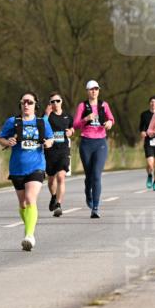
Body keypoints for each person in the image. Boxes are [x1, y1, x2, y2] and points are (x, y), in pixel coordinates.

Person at [0, 92, 54, 250]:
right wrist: (8, 141)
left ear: (36, 104)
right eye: (23, 102)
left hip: (36, 166)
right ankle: (28, 228)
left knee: (30, 198)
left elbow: (50, 138)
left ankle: (30, 235)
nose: (26, 105)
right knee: (23, 204)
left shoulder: (42, 122)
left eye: (29, 102)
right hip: (17, 167)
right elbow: (0, 138)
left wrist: (48, 143)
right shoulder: (13, 122)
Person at [72, 80, 115, 218]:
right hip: (86, 143)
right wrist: (86, 118)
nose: (94, 91)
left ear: (98, 91)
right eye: (91, 89)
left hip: (100, 142)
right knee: (89, 175)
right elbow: (76, 124)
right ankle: (87, 191)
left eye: (96, 89)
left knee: (96, 175)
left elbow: (111, 119)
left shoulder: (104, 105)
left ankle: (95, 207)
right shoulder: (82, 106)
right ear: (87, 91)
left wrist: (109, 122)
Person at [44, 91, 74, 217]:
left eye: (57, 101)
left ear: (61, 102)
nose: (55, 103)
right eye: (52, 101)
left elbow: (72, 128)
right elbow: (41, 126)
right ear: (50, 103)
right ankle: (53, 196)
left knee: (61, 177)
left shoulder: (67, 116)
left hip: (63, 150)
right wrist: (46, 114)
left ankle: (58, 205)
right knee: (51, 180)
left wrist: (71, 132)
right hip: (50, 151)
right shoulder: (47, 117)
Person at [139, 96, 155, 191]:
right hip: (149, 141)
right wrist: (142, 132)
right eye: (151, 102)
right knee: (150, 164)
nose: (153, 103)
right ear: (149, 103)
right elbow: (141, 127)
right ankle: (149, 175)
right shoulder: (144, 114)